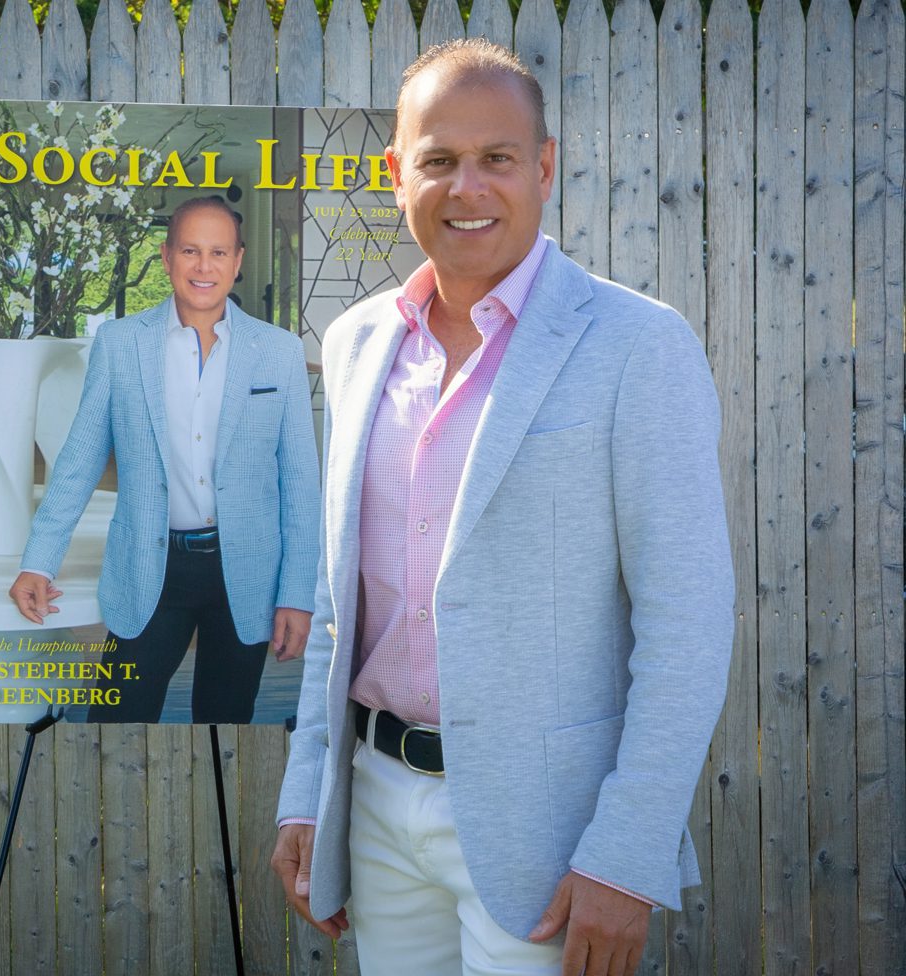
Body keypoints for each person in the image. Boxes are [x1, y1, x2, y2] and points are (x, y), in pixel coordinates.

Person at [270, 39, 734, 976]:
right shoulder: (357, 342)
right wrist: (305, 793)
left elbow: (687, 626)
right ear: (396, 174)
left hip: (550, 835)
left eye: (498, 158)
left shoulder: (638, 347)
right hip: (374, 807)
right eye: (438, 160)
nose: (467, 187)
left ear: (546, 167)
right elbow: (336, 598)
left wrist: (627, 853)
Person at [9, 196, 320, 724]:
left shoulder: (279, 352)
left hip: (244, 570)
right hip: (151, 565)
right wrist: (38, 559)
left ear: (238, 260)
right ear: (167, 256)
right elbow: (80, 459)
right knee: (116, 719)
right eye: (191, 251)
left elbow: (300, 482)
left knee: (224, 725)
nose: (205, 266)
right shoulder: (120, 343)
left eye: (219, 252)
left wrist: (297, 592)